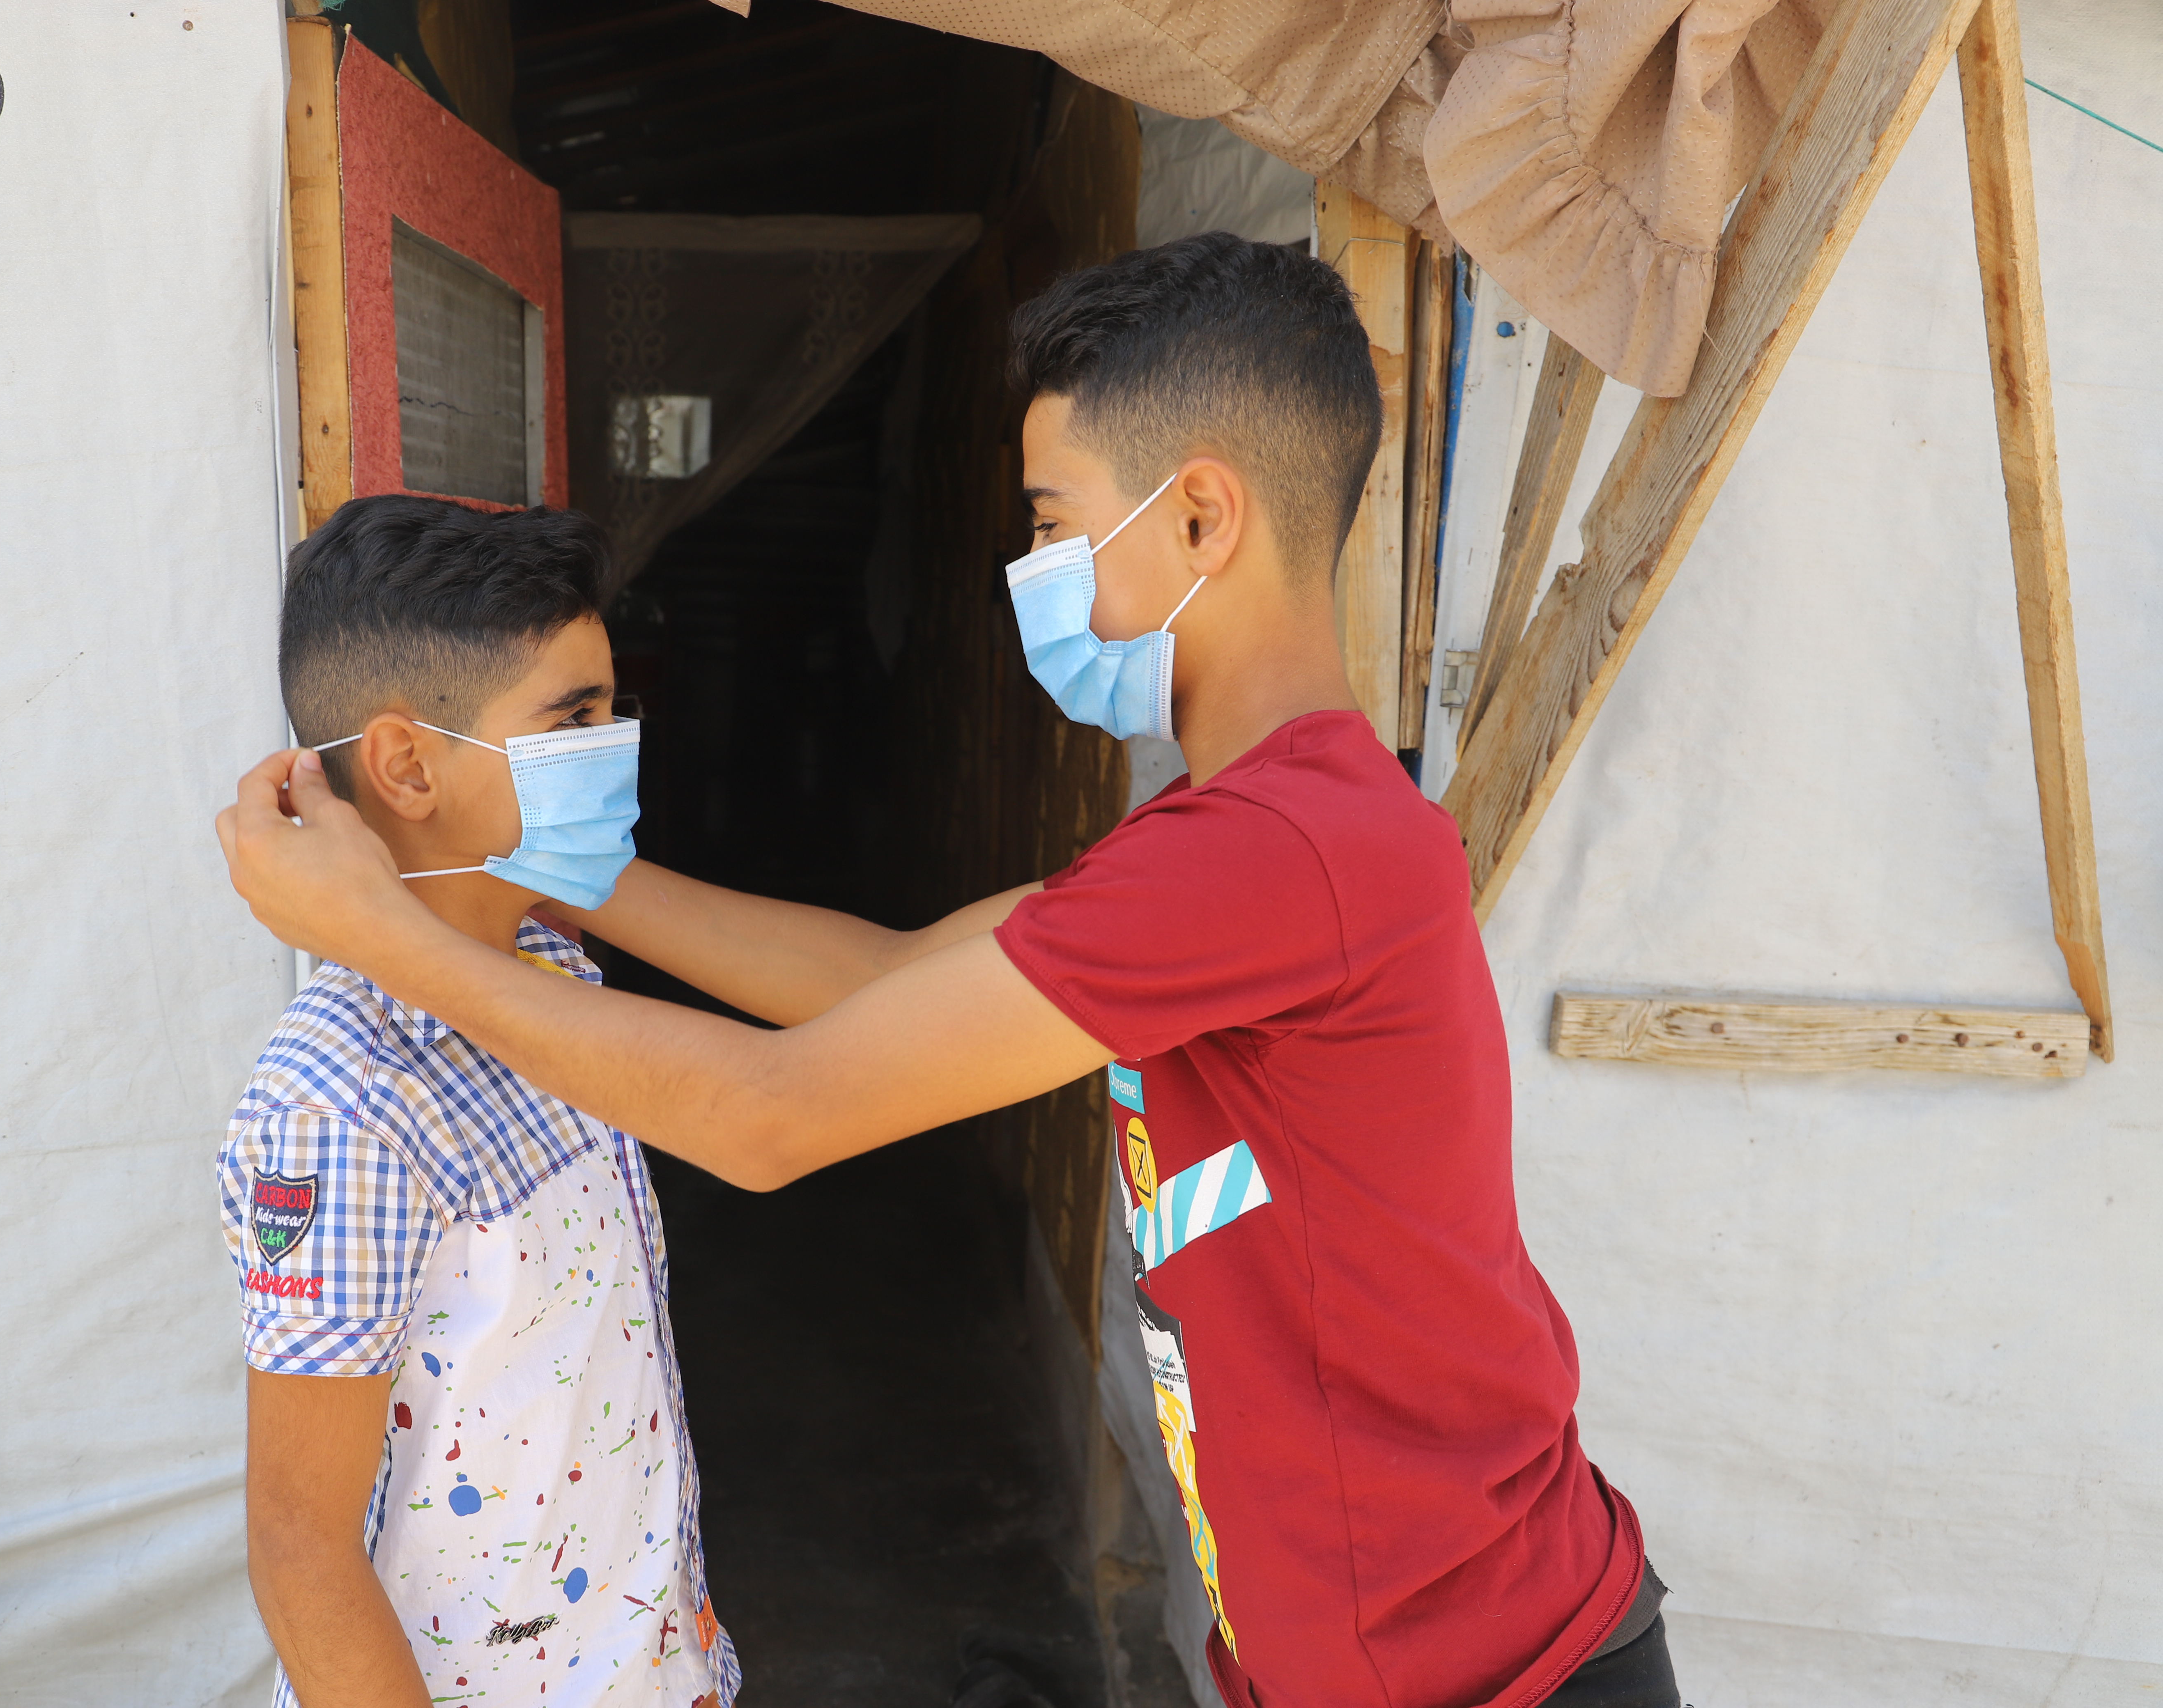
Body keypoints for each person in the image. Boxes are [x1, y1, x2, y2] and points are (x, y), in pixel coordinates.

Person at [218, 233, 1675, 1708]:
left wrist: (386, 935)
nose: (1030, 571)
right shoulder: (1244, 832)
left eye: (1055, 522)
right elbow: (887, 978)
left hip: (1486, 1671)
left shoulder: (1278, 856)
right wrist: (567, 874)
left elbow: (771, 1113)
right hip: (1367, 1649)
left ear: (1202, 521)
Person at [220, 497, 739, 1708]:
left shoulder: (553, 975)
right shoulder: (342, 1104)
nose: (618, 743)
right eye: (575, 719)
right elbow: (299, 1549)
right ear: (408, 765)